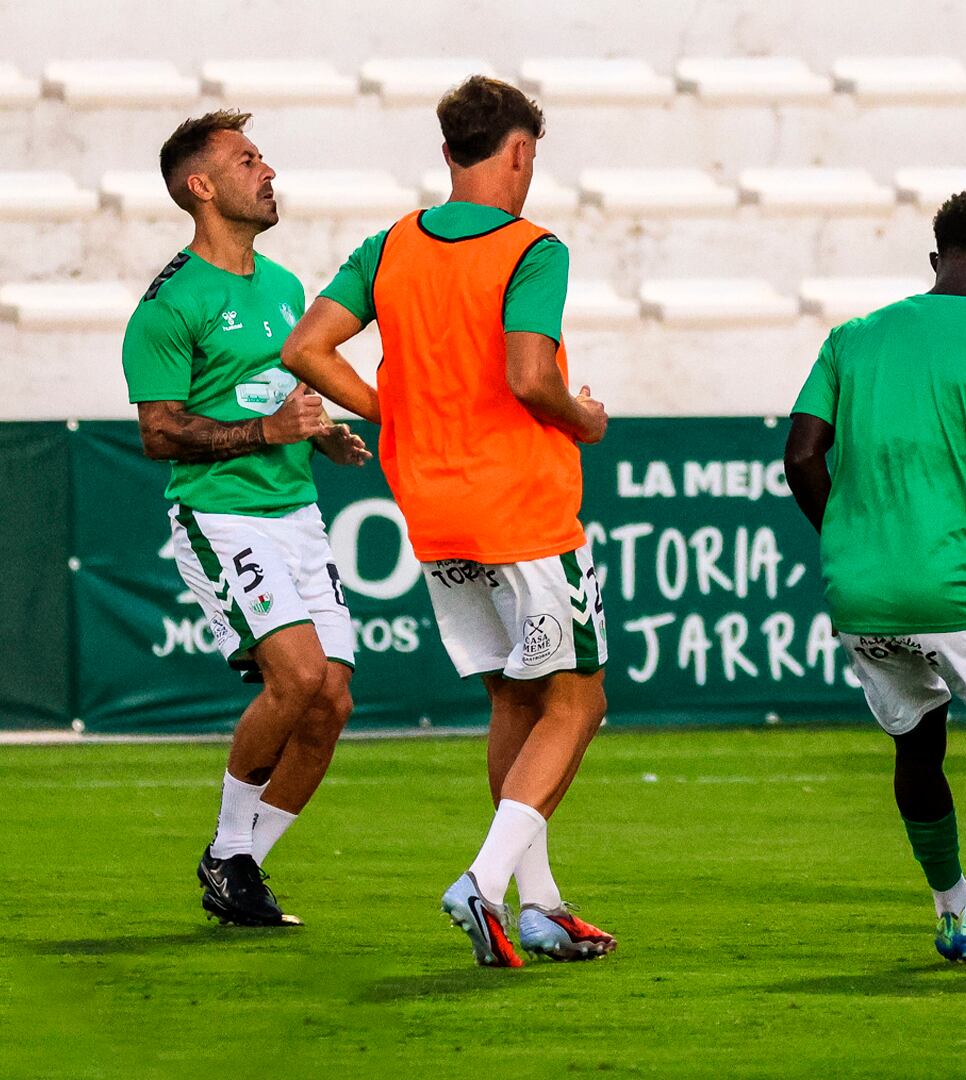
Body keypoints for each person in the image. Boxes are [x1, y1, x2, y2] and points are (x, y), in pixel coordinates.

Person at [282, 76, 613, 968]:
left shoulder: (390, 245)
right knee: (578, 699)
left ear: (447, 154)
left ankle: (539, 905)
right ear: (518, 153)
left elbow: (304, 349)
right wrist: (583, 418)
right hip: (522, 509)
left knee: (514, 694)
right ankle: (484, 880)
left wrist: (396, 411)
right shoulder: (531, 249)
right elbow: (529, 375)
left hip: (432, 507)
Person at [786, 190, 966, 972]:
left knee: (918, 740)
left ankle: (948, 907)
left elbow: (803, 455)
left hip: (859, 592)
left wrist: (851, 534)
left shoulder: (854, 337)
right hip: (955, 587)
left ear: (938, 259)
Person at [122, 110, 366, 928]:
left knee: (331, 701)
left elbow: (284, 399)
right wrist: (266, 432)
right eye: (248, 160)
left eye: (263, 158)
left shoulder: (287, 286)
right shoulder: (169, 304)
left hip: (296, 512)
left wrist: (321, 434)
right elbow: (159, 431)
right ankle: (228, 853)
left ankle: (241, 868)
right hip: (221, 517)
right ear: (201, 186)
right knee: (295, 676)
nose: (268, 172)